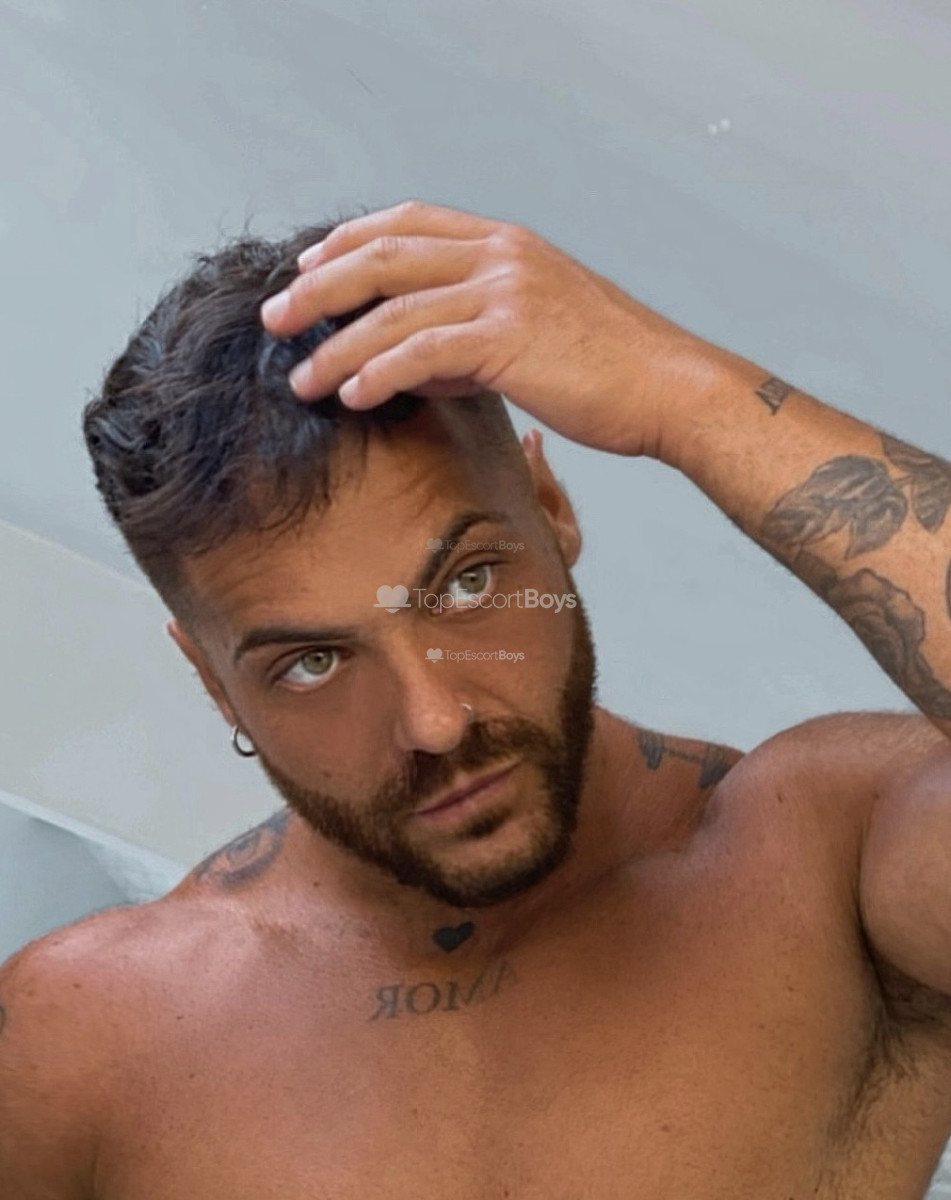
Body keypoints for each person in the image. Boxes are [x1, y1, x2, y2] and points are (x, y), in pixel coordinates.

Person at [2, 198, 951, 1200]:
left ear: (550, 509)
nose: (434, 721)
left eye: (465, 585)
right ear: (214, 685)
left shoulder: (833, 863)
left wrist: (680, 392)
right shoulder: (84, 1042)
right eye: (313, 663)